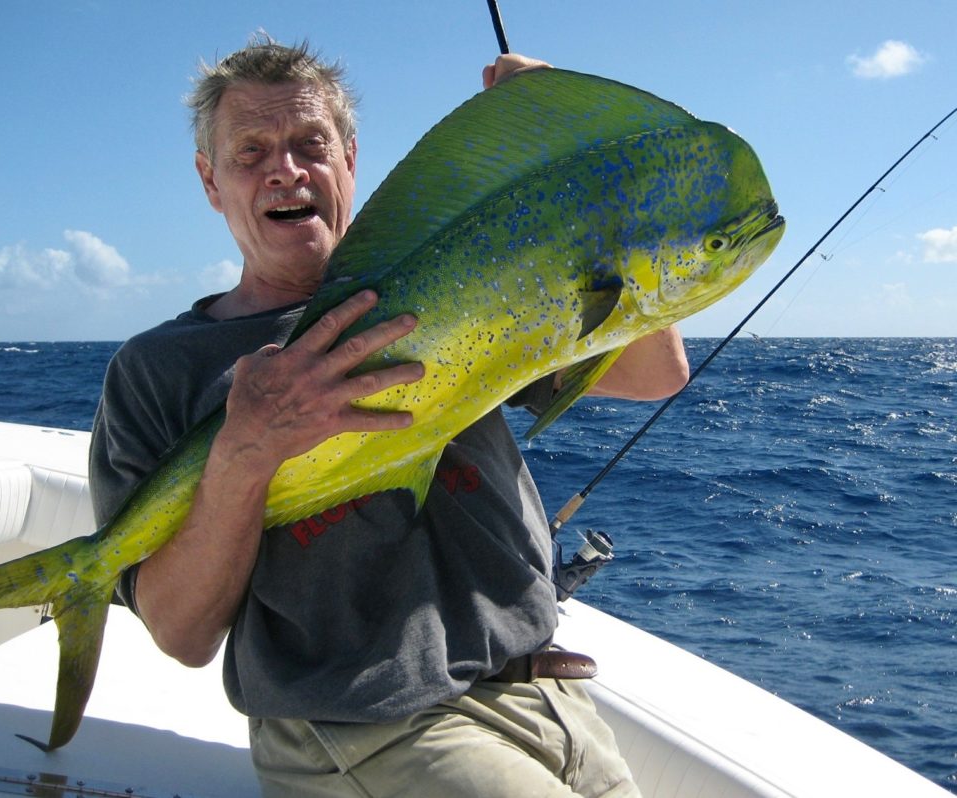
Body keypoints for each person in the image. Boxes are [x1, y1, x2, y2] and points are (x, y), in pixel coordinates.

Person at [90, 33, 689, 798]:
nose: (285, 168)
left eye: (311, 144)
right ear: (211, 182)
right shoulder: (158, 369)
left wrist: (585, 162)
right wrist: (245, 449)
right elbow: (181, 632)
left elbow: (654, 372)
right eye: (251, 152)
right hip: (363, 724)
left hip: (549, 696)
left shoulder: (452, 288)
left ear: (349, 160)